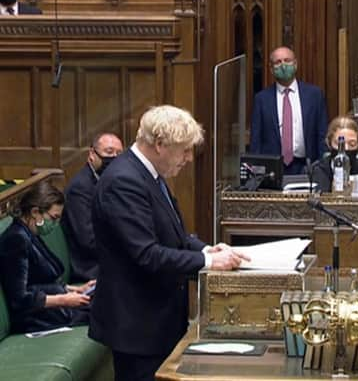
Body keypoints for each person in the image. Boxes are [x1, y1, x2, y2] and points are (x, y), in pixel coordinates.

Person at [89, 105, 249, 381]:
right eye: (184, 150)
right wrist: (209, 262)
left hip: (157, 319)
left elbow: (172, 234)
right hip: (138, 325)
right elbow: (147, 255)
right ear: (160, 145)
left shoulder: (149, 175)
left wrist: (204, 249)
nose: (188, 158)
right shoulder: (124, 181)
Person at [0, 181, 93, 334]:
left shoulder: (29, 233)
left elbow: (40, 280)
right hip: (35, 319)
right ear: (35, 212)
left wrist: (76, 289)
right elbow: (20, 298)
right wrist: (63, 300)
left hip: (51, 310)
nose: (56, 224)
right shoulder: (15, 240)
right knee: (107, 312)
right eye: (54, 218)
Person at [249, 46, 329, 174]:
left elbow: (322, 133)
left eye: (287, 60)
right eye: (278, 62)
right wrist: (257, 170)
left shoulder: (314, 95)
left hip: (308, 166)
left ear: (295, 64)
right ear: (271, 69)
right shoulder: (262, 99)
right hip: (273, 168)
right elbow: (256, 139)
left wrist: (322, 167)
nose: (283, 65)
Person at [61, 132, 124, 283]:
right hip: (91, 268)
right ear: (92, 154)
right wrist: (126, 244)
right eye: (109, 152)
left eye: (119, 154)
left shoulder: (112, 182)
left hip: (111, 259)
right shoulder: (80, 189)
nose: (114, 158)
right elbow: (88, 241)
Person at [310, 116, 358, 193]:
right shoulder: (315, 171)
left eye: (352, 144)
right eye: (340, 144)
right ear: (329, 143)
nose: (346, 149)